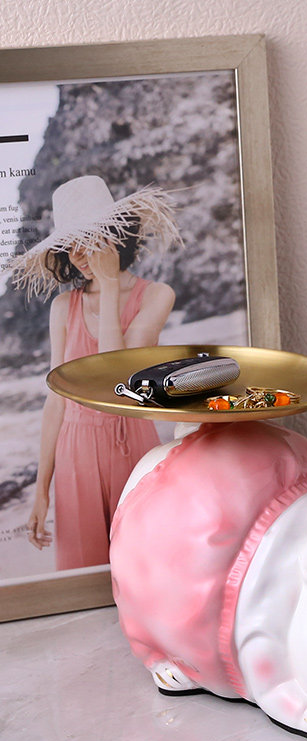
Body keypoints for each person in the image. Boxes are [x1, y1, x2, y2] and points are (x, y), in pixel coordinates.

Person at [10, 175, 181, 570]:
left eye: (85, 240)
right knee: (82, 573)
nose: (77, 256)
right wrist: (41, 491)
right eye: (68, 246)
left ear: (112, 235)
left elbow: (114, 376)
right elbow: (56, 402)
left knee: (142, 569)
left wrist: (108, 285)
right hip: (75, 452)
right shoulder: (62, 308)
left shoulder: (156, 295)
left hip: (131, 442)